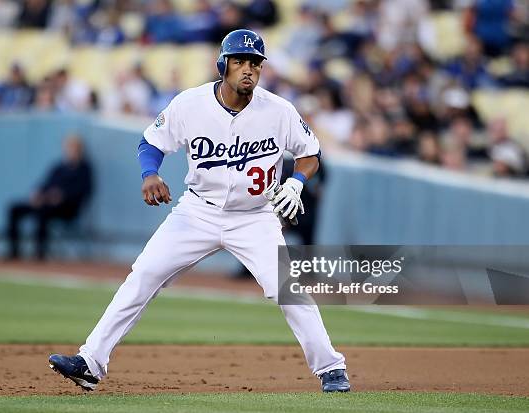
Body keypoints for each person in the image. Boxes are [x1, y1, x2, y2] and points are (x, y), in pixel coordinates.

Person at [48, 29, 350, 393]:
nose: (248, 69)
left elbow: (310, 154)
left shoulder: (279, 110)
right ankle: (90, 363)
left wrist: (297, 182)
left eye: (255, 62)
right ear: (223, 64)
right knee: (144, 275)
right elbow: (151, 141)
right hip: (197, 212)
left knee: (287, 288)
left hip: (254, 217)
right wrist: (150, 174)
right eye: (240, 61)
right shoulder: (190, 104)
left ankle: (331, 368)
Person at [5, 135, 93, 260]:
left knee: (43, 212)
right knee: (14, 208)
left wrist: (62, 197)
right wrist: (37, 193)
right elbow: (45, 184)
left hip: (67, 209)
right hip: (46, 203)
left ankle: (40, 253)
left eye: (74, 148)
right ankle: (14, 252)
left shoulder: (85, 169)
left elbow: (84, 191)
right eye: (68, 147)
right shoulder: (58, 167)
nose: (70, 150)